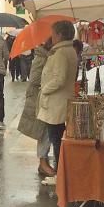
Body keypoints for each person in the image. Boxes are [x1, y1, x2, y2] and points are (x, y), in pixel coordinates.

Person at [38, 21, 78, 170]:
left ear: (60, 35)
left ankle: (60, 173)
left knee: (56, 140)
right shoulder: (69, 50)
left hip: (56, 104)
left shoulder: (61, 53)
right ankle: (61, 172)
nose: (52, 36)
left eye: (53, 33)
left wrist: (45, 89)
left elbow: (59, 79)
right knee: (58, 139)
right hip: (60, 102)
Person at [17, 40, 55, 177]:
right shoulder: (42, 57)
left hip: (43, 98)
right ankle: (43, 163)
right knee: (43, 130)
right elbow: (34, 80)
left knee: (46, 131)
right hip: (38, 98)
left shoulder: (46, 56)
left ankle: (43, 163)